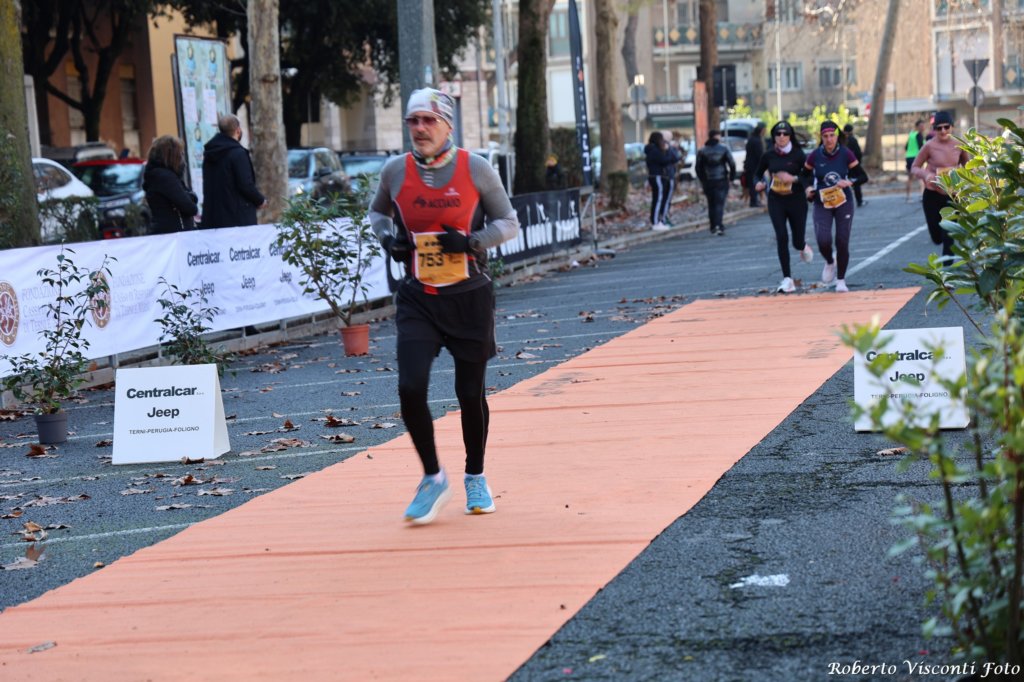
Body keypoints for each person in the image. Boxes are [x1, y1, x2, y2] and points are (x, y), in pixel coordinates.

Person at [368, 88, 520, 525]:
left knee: (470, 394)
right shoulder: (395, 170)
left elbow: (509, 223)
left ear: (447, 125)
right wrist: (390, 240)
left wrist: (471, 242)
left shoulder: (476, 168)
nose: (419, 129)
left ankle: (476, 475)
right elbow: (377, 215)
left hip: (469, 296)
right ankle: (433, 477)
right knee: (410, 387)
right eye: (413, 120)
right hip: (420, 297)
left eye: (428, 120)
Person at [803, 120, 869, 293]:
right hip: (822, 202)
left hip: (843, 202)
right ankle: (830, 261)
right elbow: (804, 175)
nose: (829, 139)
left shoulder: (846, 154)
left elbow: (862, 176)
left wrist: (850, 182)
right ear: (821, 137)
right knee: (823, 240)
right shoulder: (815, 155)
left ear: (837, 136)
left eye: (832, 135)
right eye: (825, 136)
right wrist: (808, 188)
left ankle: (841, 280)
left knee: (842, 240)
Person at [754, 121, 813, 293]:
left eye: (785, 134)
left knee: (797, 241)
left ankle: (803, 246)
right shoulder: (769, 155)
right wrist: (758, 183)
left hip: (796, 200)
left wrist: (793, 179)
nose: (781, 137)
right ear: (774, 137)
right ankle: (788, 279)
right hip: (776, 200)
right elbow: (757, 174)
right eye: (778, 134)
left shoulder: (798, 155)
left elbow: (808, 176)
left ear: (790, 136)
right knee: (781, 237)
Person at [910, 111, 970, 262]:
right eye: (939, 128)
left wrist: (966, 178)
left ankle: (947, 272)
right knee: (937, 237)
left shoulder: (959, 144)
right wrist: (926, 175)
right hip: (932, 195)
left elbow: (968, 166)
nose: (943, 131)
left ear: (952, 127)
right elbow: (914, 167)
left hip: (952, 196)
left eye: (946, 127)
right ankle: (938, 238)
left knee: (949, 234)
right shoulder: (929, 146)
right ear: (934, 129)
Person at [200, 114, 266, 228]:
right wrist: (260, 200)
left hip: (214, 217)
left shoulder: (209, 153)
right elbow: (245, 184)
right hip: (238, 218)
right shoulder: (238, 153)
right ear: (238, 130)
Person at [143, 135, 198, 234]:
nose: (182, 158)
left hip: (168, 233)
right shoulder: (165, 177)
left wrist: (189, 196)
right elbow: (190, 208)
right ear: (172, 155)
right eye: (180, 154)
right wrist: (190, 196)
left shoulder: (160, 175)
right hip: (173, 236)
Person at [695, 129, 736, 236]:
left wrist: (703, 179)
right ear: (717, 137)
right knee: (719, 203)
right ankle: (718, 225)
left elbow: (698, 168)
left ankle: (713, 225)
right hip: (721, 179)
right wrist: (731, 177)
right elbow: (732, 164)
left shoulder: (702, 151)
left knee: (711, 203)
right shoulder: (723, 149)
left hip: (708, 180)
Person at [644, 131, 680, 231]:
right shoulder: (653, 150)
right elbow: (664, 160)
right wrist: (668, 150)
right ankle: (656, 221)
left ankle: (661, 220)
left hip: (663, 176)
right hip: (657, 175)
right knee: (658, 198)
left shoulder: (658, 149)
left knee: (663, 198)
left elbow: (675, 158)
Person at [843, 124, 867, 208]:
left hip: (843, 165)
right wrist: (858, 163)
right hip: (853, 165)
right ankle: (859, 200)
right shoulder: (852, 139)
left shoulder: (841, 140)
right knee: (856, 182)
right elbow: (858, 153)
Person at [744, 122, 766, 207]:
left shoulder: (752, 139)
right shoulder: (757, 141)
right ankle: (754, 202)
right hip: (754, 166)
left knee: (753, 183)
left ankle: (755, 201)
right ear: (762, 130)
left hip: (750, 165)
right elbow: (759, 155)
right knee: (755, 183)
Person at [905, 119, 926, 202]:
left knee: (910, 178)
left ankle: (908, 197)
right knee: (921, 177)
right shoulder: (918, 135)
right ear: (917, 127)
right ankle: (922, 195)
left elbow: (906, 147)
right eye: (921, 126)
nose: (923, 127)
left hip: (908, 157)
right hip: (916, 158)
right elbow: (922, 148)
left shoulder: (911, 135)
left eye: (923, 126)